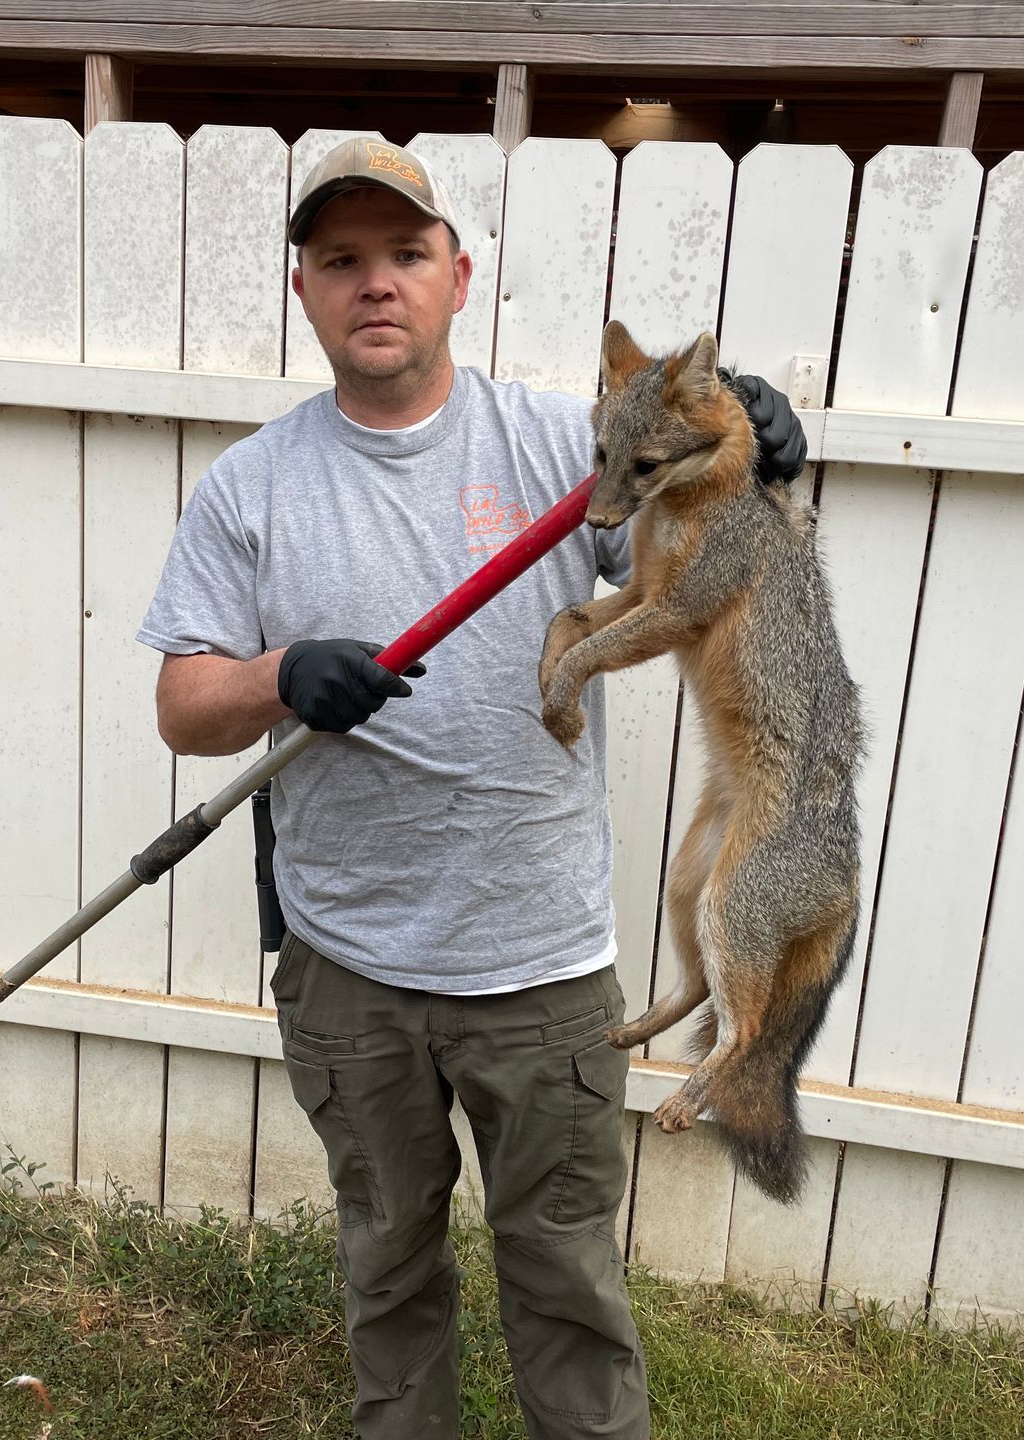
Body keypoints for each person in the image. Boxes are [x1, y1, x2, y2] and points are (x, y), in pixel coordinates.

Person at [137, 135, 807, 1440]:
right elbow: (183, 705)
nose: (374, 283)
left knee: (564, 1278)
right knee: (388, 1266)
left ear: (459, 275)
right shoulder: (252, 488)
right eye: (342, 260)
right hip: (349, 969)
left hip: (538, 969)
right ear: (306, 290)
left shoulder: (573, 452)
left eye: (403, 254)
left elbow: (712, 544)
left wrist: (759, 445)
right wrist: (280, 673)